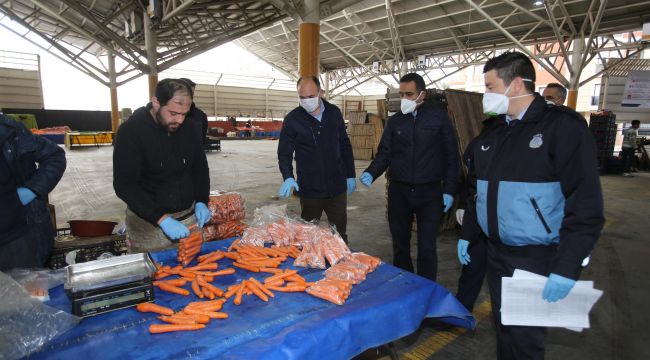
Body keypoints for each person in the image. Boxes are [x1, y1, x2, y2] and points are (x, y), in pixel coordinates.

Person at [459, 52, 604, 360]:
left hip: (535, 260)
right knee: (505, 332)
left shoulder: (562, 128)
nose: (485, 95)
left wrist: (568, 266)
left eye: (489, 86)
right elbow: (479, 191)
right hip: (496, 255)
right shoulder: (494, 132)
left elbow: (586, 204)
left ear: (515, 85)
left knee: (526, 342)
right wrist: (469, 233)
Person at [359, 73, 459, 281]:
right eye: (401, 94)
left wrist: (449, 189)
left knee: (427, 246)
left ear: (422, 94)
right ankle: (405, 284)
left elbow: (451, 155)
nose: (404, 98)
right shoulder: (395, 121)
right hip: (400, 191)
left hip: (429, 192)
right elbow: (385, 152)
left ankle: (426, 289)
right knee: (400, 244)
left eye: (409, 94)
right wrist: (371, 171)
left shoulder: (438, 118)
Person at [113, 78, 211, 252]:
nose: (180, 120)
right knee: (154, 273)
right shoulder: (132, 131)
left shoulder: (191, 128)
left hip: (187, 218)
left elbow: (200, 169)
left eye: (184, 114)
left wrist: (202, 200)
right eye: (173, 113)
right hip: (149, 224)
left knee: (194, 270)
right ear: (156, 102)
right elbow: (125, 185)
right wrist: (161, 218)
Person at [277, 76, 356, 242]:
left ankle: (342, 265)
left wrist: (350, 174)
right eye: (302, 97)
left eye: (311, 96)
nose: (306, 101)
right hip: (310, 189)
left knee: (340, 235)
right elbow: (284, 152)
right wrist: (288, 176)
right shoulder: (292, 119)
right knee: (308, 236)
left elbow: (344, 145)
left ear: (320, 92)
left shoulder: (334, 113)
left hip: (336, 187)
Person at [0, 114, 66, 270]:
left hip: (15, 239)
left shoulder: (10, 132)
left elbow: (54, 156)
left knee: (23, 291)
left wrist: (30, 190)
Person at [455, 117, 496, 312]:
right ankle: (461, 311)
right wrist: (464, 206)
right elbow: (473, 182)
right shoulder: (481, 145)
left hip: (510, 228)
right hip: (481, 222)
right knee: (472, 269)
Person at [180, 78, 209, 143]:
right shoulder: (166, 113)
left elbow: (201, 141)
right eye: (187, 92)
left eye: (192, 93)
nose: (190, 95)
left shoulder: (201, 115)